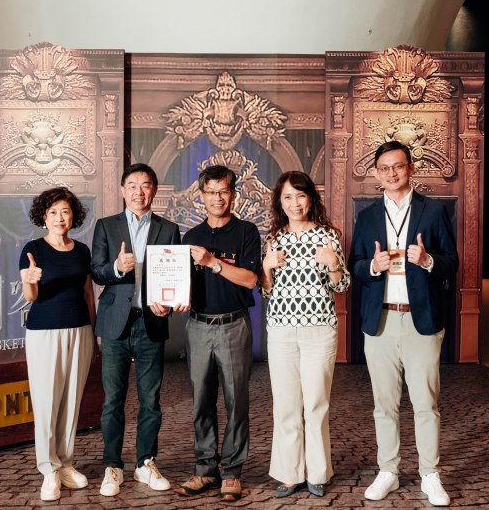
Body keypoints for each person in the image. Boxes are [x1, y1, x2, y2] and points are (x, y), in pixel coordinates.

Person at [348, 141, 458, 507]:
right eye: (385, 168)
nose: (392, 173)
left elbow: (452, 262)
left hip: (420, 318)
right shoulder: (367, 217)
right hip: (380, 319)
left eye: (398, 166)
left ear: (411, 168)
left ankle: (430, 473)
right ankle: (389, 471)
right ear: (376, 174)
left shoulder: (433, 211)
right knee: (384, 404)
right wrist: (372, 266)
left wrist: (427, 260)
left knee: (425, 402)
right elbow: (354, 265)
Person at [90, 163, 184, 497]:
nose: (138, 191)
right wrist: (117, 267)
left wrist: (167, 303)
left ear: (153, 190)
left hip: (150, 322)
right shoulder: (106, 226)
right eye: (132, 185)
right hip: (115, 322)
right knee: (112, 400)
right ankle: (112, 466)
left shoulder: (168, 229)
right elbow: (97, 271)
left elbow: (174, 275)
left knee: (151, 400)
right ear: (122, 190)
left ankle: (145, 462)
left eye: (145, 185)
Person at [259, 171, 350, 498]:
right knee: (285, 404)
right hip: (281, 329)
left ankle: (318, 472)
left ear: (310, 198)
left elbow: (341, 286)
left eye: (300, 195)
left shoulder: (328, 236)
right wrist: (266, 268)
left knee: (315, 404)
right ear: (279, 202)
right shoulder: (273, 239)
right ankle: (289, 473)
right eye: (287, 197)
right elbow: (267, 291)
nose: (294, 203)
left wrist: (333, 263)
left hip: (319, 329)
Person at [175, 164, 261, 502]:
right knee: (200, 400)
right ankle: (205, 469)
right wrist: (171, 299)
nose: (217, 198)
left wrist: (213, 262)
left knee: (236, 400)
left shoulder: (246, 232)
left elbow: (250, 280)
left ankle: (232, 472)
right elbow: (181, 283)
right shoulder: (190, 237)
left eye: (223, 191)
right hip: (198, 325)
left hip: (234, 325)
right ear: (202, 196)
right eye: (210, 192)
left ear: (233, 194)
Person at [18, 186, 96, 502]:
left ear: (73, 216)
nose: (59, 218)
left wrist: (94, 331)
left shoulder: (82, 251)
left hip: (80, 330)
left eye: (65, 211)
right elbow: (30, 297)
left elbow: (88, 293)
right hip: (44, 332)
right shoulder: (33, 248)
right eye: (52, 212)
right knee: (47, 401)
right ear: (43, 216)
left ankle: (65, 463)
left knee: (71, 402)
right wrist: (30, 280)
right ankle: (48, 469)